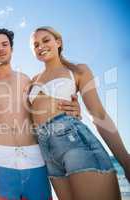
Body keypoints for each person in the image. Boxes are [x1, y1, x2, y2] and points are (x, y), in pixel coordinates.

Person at [30, 26, 130, 200]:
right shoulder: (32, 80)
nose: (40, 47)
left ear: (58, 42)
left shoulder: (77, 70)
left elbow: (98, 114)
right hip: (48, 154)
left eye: (46, 40)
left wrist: (125, 160)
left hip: (75, 142)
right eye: (35, 45)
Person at [0, 28, 81, 200]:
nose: (1, 49)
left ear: (11, 49)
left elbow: (46, 109)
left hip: (35, 158)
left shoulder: (28, 80)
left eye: (5, 44)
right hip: (1, 161)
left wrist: (73, 109)